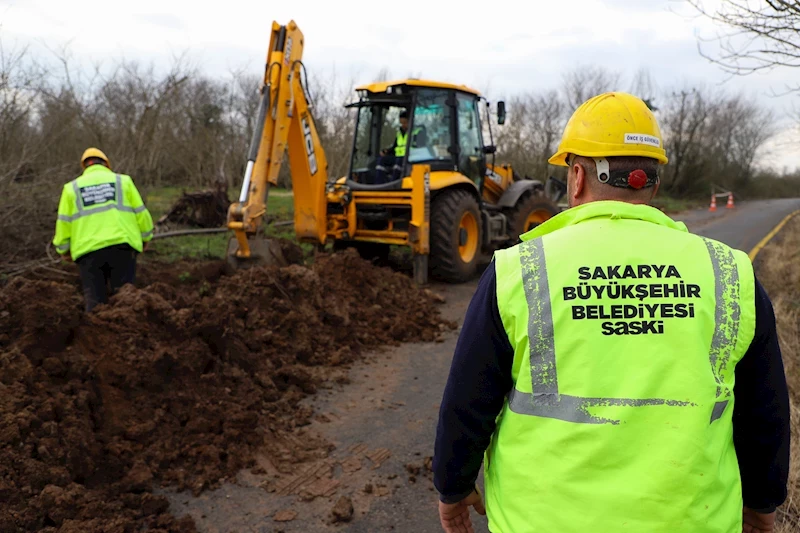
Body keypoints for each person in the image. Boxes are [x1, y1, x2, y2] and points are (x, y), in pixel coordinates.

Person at [432, 92, 790, 533]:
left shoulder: (518, 270)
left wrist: (453, 486)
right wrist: (761, 503)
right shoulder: (730, 272)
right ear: (652, 182)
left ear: (576, 176)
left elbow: (469, 399)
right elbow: (764, 411)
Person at [53, 148, 154, 312]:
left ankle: (96, 333)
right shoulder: (123, 182)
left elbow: (64, 223)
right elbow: (142, 215)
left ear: (84, 166)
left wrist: (64, 249)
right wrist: (145, 238)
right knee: (125, 298)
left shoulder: (71, 188)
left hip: (88, 253)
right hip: (122, 247)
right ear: (106, 164)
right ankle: (130, 332)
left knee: (94, 300)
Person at [375, 110, 424, 183]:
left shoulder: (418, 131)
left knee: (399, 162)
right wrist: (386, 151)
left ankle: (393, 184)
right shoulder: (399, 133)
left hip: (410, 158)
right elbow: (395, 147)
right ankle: (379, 183)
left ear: (411, 121)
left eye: (405, 123)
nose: (403, 125)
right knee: (381, 160)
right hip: (398, 157)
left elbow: (420, 147)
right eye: (401, 123)